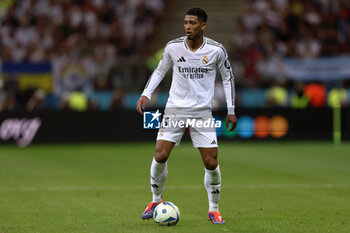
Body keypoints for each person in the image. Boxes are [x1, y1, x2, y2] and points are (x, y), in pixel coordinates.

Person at [136, 7, 237, 224]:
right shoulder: (173, 47)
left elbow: (228, 78)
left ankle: (214, 209)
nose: (187, 27)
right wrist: (146, 93)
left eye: (192, 23)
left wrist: (231, 110)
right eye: (185, 22)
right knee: (160, 155)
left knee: (211, 162)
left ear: (203, 25)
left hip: (202, 113)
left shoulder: (216, 50)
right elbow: (160, 70)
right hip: (175, 109)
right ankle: (155, 200)